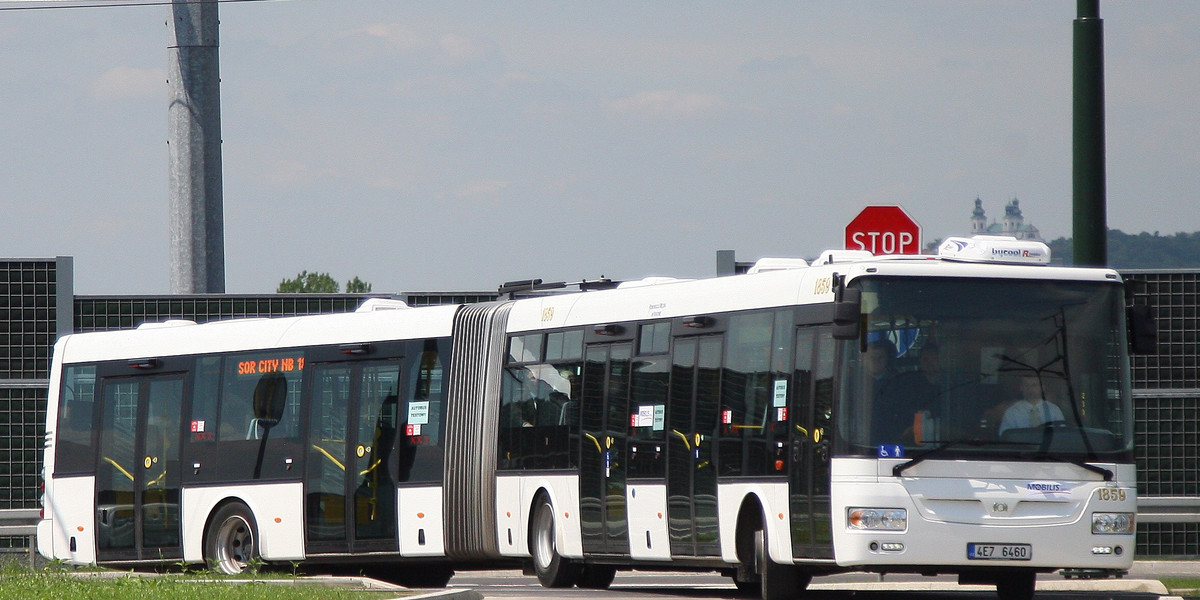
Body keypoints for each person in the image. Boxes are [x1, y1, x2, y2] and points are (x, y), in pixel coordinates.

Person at [998, 375, 1065, 435]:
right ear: (1021, 388)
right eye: (1026, 385)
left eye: (1034, 385)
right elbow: (1004, 435)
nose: (1030, 389)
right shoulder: (1012, 411)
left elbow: (1062, 434)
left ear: (1042, 387)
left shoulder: (1054, 409)